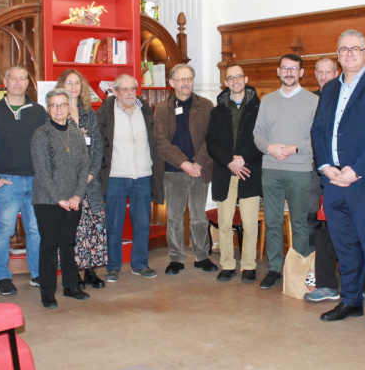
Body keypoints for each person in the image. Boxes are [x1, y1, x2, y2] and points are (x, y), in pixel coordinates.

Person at [311, 29, 365, 329]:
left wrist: (355, 170)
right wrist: (325, 166)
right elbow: (318, 131)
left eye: (355, 49)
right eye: (344, 49)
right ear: (338, 55)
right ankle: (350, 301)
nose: (349, 54)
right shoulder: (330, 88)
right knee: (344, 247)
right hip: (333, 182)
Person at [253, 54, 319, 289]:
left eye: (294, 69)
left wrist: (295, 148)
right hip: (271, 169)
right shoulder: (268, 101)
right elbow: (258, 134)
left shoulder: (313, 101)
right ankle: (274, 269)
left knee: (299, 223)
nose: (289, 72)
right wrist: (269, 147)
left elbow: (318, 138)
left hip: (300, 169)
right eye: (285, 68)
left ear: (301, 73)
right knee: (272, 222)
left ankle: (297, 271)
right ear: (278, 72)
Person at [97, 74, 165, 281]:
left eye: (132, 89)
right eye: (124, 89)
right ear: (115, 92)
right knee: (114, 223)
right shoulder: (105, 113)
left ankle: (140, 264)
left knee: (142, 223)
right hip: (116, 175)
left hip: (142, 175)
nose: (129, 93)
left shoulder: (146, 111)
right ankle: (113, 266)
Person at [0, 65, 46, 295]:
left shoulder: (39, 111)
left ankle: (37, 273)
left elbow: (46, 146)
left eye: (23, 78)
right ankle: (1, 276)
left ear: (28, 83)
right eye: (14, 78)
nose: (18, 83)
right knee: (4, 230)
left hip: (35, 181)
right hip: (7, 182)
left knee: (35, 230)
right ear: (5, 81)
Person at [31, 88, 90, 308]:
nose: (59, 109)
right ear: (48, 109)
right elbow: (42, 172)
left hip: (72, 199)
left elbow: (85, 165)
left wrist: (77, 195)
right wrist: (59, 199)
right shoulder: (41, 134)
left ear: (68, 107)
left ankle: (71, 285)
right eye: (54, 105)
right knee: (49, 245)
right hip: (47, 200)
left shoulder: (76, 133)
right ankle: (47, 291)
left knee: (68, 244)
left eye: (63, 104)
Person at [154, 64, 216, 276]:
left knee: (199, 217)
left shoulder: (207, 105)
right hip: (173, 171)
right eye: (181, 80)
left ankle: (202, 256)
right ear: (171, 83)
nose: (186, 83)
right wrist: (183, 163)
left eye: (189, 78)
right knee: (174, 218)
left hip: (200, 170)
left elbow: (212, 138)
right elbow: (160, 142)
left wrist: (197, 162)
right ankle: (176, 258)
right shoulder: (162, 109)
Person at [206, 64, 263, 283]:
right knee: (225, 222)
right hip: (225, 172)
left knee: (249, 223)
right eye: (231, 78)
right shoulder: (217, 109)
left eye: (239, 76)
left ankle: (249, 266)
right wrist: (230, 161)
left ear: (245, 79)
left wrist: (243, 159)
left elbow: (263, 140)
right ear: (226, 82)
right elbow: (211, 142)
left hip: (249, 171)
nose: (235, 81)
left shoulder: (259, 108)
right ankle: (228, 265)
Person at [56, 69, 107, 289]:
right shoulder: (57, 113)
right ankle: (73, 272)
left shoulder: (89, 112)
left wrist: (90, 174)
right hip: (68, 183)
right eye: (69, 82)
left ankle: (91, 271)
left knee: (93, 227)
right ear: (62, 86)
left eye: (78, 83)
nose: (74, 87)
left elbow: (98, 148)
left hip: (90, 182)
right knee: (73, 229)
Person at [304, 56, 341, 302]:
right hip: (317, 172)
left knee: (342, 226)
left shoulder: (345, 95)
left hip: (344, 174)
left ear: (337, 72)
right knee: (313, 224)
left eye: (329, 72)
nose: (324, 76)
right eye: (320, 72)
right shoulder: (310, 99)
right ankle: (315, 275)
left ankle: (350, 280)